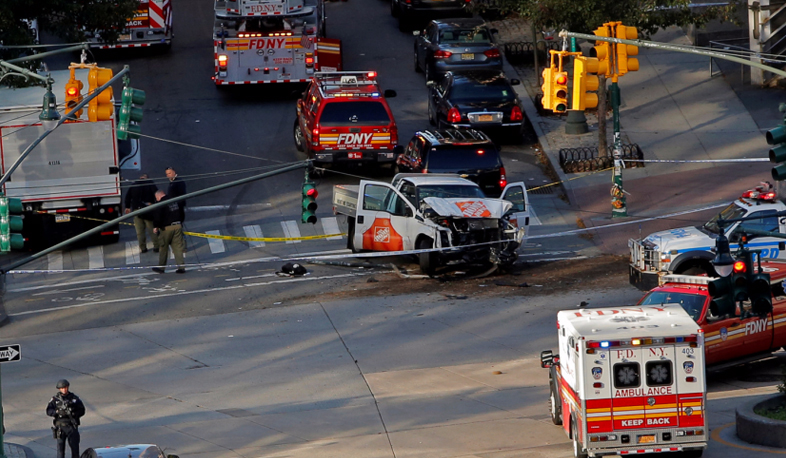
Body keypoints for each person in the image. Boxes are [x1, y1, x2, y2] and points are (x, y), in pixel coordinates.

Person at [46, 379, 85, 458]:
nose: (64, 389)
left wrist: (73, 413)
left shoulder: (74, 399)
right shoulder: (55, 399)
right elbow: (48, 411)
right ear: (59, 389)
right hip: (60, 427)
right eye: (62, 388)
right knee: (60, 450)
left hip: (71, 426)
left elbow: (82, 410)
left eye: (65, 387)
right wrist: (57, 412)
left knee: (75, 449)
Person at [151, 190, 186, 274]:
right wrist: (180, 222)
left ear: (158, 196)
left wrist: (156, 226)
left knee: (163, 247)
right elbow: (182, 212)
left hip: (166, 228)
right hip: (177, 226)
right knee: (178, 247)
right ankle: (181, 267)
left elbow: (158, 216)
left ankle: (161, 267)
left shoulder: (161, 203)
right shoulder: (175, 201)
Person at [124, 173, 159, 253]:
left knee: (140, 231)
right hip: (148, 209)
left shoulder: (134, 184)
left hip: (137, 211)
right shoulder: (150, 184)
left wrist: (128, 207)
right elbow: (157, 195)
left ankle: (143, 248)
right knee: (152, 230)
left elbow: (128, 197)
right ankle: (156, 246)